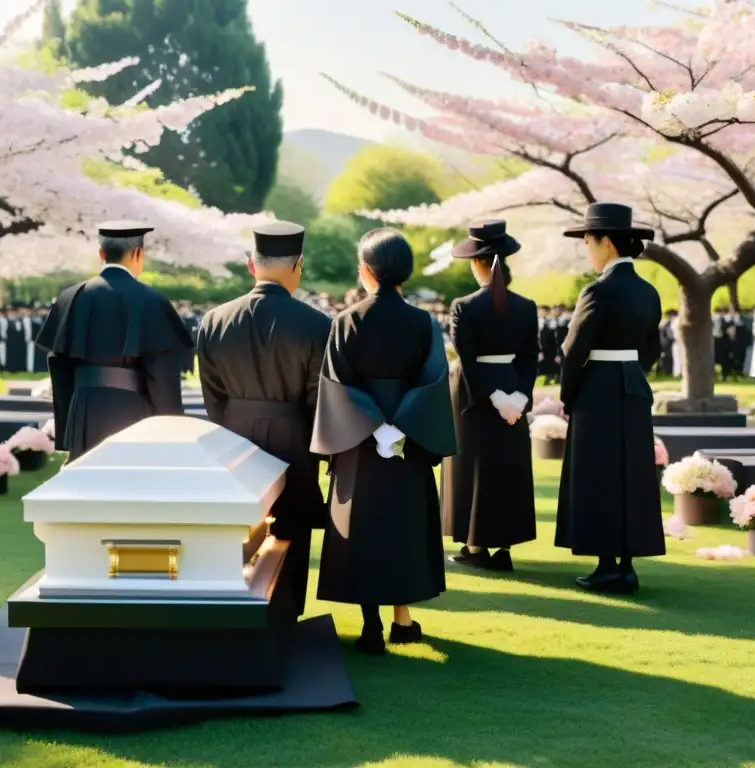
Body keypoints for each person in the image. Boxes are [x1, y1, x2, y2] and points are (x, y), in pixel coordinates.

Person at [311, 228, 456, 654]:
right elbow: (433, 380)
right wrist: (399, 427)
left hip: (358, 440)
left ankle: (370, 624)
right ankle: (402, 618)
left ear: (366, 271)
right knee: (403, 528)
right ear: (403, 273)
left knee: (362, 527)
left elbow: (337, 383)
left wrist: (373, 426)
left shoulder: (346, 320)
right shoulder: (423, 322)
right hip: (407, 443)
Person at [195, 221, 331, 618]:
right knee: (290, 534)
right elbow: (318, 398)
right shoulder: (316, 324)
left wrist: (228, 432)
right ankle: (286, 614)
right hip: (294, 435)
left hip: (234, 437)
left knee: (236, 532)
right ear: (298, 265)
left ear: (251, 265)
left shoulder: (215, 320)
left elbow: (212, 396)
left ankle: (231, 610)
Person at [554, 203, 664, 594]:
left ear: (606, 242)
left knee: (598, 474)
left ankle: (606, 565)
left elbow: (572, 349)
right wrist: (629, 368)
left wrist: (569, 395)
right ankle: (627, 565)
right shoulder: (649, 291)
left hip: (598, 388)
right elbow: (653, 348)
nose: (586, 248)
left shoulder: (598, 289)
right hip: (633, 387)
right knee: (630, 474)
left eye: (588, 240)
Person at [36, 221, 192, 460]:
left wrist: (68, 430)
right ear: (138, 254)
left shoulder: (70, 297)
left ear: (101, 254)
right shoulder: (152, 301)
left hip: (83, 408)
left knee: (86, 484)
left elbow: (60, 370)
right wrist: (170, 431)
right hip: (132, 408)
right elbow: (163, 376)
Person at [440, 220, 539, 572]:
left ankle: (476, 544)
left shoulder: (463, 306)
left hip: (475, 394)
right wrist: (519, 397)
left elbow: (466, 359)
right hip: (511, 384)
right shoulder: (526, 306)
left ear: (478, 263)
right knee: (507, 467)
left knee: (475, 467)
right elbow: (531, 357)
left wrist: (495, 396)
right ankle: (504, 547)